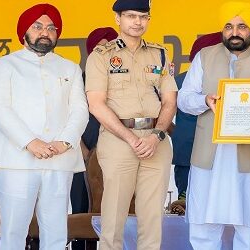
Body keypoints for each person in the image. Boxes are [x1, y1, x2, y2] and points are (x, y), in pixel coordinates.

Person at [177, 1, 250, 249]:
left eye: (242, 26)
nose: (234, 32)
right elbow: (184, 99)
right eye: (229, 26)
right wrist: (205, 100)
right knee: (203, 226)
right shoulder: (204, 57)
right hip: (209, 156)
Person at [0, 3, 88, 249]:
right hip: (17, 161)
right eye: (37, 27)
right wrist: (31, 142)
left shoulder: (70, 68)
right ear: (24, 31)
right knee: (13, 231)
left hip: (59, 160)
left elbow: (80, 110)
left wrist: (64, 142)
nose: (44, 32)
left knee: (56, 231)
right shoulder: (3, 66)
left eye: (51, 28)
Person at [85, 0, 177, 249]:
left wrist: (157, 134)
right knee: (114, 216)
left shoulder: (159, 53)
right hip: (118, 141)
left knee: (152, 217)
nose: (138, 21)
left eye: (143, 16)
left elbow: (170, 100)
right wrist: (131, 139)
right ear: (118, 19)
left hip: (155, 140)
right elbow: (96, 104)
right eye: (131, 16)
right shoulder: (101, 56)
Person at [70, 26, 118, 250]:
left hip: (117, 157)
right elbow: (66, 121)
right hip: (81, 157)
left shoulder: (122, 81)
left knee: (116, 214)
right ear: (90, 52)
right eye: (100, 49)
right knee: (82, 212)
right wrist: (86, 154)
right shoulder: (76, 82)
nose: (105, 54)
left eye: (110, 48)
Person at [170, 31, 222, 215]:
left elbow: (164, 118)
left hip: (187, 153)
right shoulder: (179, 81)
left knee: (186, 209)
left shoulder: (176, 81)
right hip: (200, 155)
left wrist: (177, 135)